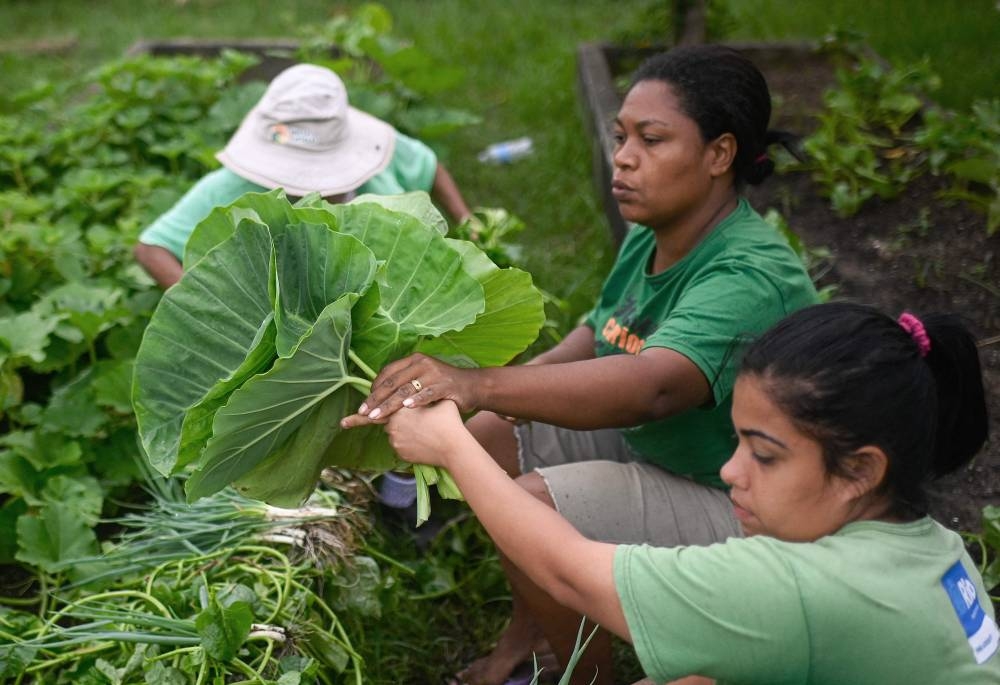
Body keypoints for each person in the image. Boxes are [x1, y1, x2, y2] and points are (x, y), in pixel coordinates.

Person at [342, 46, 819, 684]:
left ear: (719, 154)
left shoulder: (747, 274)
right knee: (486, 436)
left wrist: (478, 381)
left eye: (652, 140)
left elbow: (653, 388)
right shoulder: (661, 230)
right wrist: (489, 400)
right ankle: (532, 631)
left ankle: (584, 675)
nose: (623, 157)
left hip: (746, 503)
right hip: (670, 450)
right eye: (621, 136)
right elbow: (603, 330)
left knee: (536, 503)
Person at [383, 302, 998, 684]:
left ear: (860, 472)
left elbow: (571, 575)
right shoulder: (934, 548)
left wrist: (451, 446)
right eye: (737, 443)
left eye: (764, 455)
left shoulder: (800, 590)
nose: (732, 472)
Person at [134, 63, 472, 288]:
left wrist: (466, 220)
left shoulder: (382, 152)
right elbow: (151, 249)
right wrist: (204, 307)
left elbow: (429, 166)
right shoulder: (237, 187)